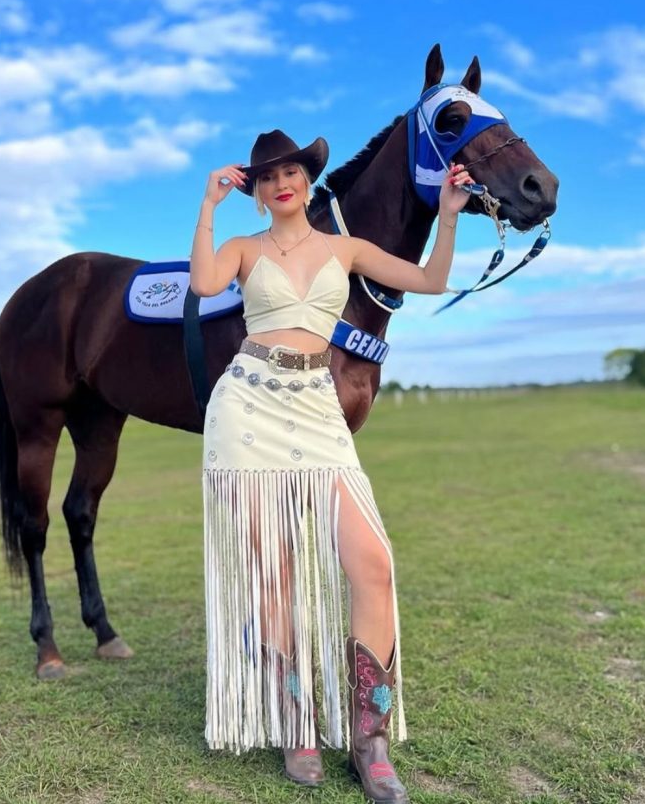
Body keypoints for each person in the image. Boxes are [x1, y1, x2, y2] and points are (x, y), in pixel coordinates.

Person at [190, 129, 471, 804]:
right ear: (258, 193)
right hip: (248, 409)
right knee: (275, 575)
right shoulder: (243, 248)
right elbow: (203, 283)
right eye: (267, 177)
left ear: (308, 179)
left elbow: (430, 280)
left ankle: (369, 740)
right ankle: (297, 722)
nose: (280, 183)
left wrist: (448, 216)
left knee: (372, 563)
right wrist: (208, 205)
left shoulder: (346, 249)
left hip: (316, 409)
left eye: (290, 172)